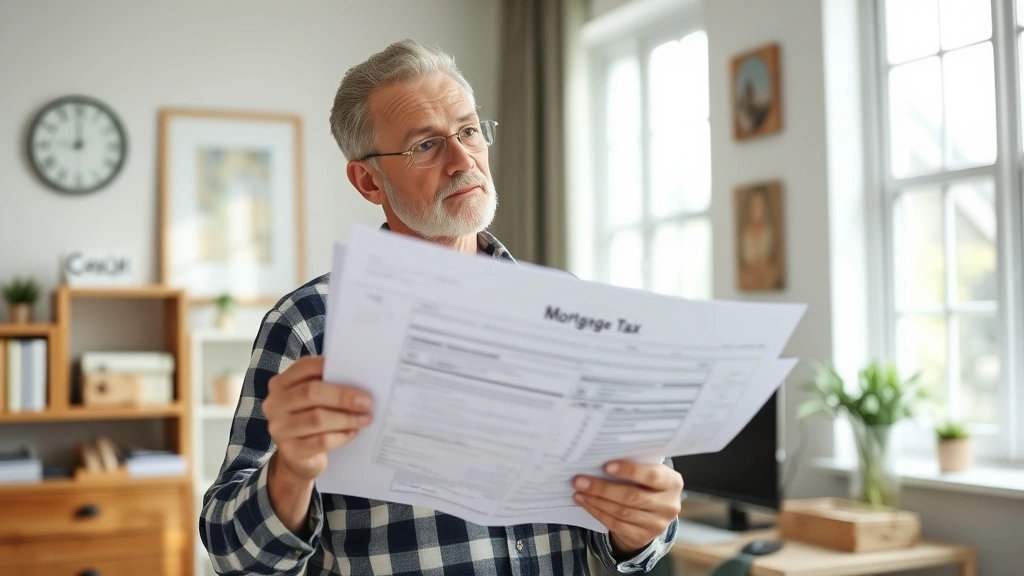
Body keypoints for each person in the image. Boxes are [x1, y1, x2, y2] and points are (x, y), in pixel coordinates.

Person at [199, 39, 682, 576]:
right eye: (426, 145)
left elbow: (633, 536)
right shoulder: (308, 323)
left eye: (469, 130)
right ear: (368, 181)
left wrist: (642, 526)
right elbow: (229, 554)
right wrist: (291, 470)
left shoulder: (567, 307)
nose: (462, 160)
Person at [737, 185, 782, 291]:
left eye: (760, 206)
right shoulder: (746, 232)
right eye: (754, 206)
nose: (757, 210)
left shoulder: (768, 232)